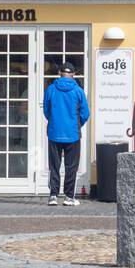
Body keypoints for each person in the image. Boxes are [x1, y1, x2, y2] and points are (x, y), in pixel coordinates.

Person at [43, 62, 89, 206]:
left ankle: (53, 196)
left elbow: (46, 110)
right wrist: (76, 124)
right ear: (73, 74)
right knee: (71, 166)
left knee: (54, 165)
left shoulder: (51, 89)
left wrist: (55, 121)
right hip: (73, 134)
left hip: (54, 133)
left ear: (59, 74)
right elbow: (85, 113)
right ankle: (69, 197)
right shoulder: (78, 91)